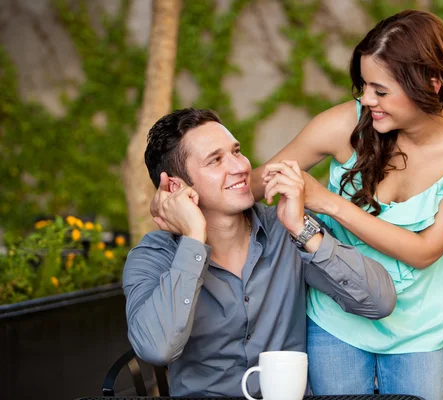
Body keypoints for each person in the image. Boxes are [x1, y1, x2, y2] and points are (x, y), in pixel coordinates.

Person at [255, 9, 443, 400]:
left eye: (381, 90)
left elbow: (424, 252)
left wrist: (328, 203)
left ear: (431, 83)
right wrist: (187, 190)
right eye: (364, 86)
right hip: (336, 314)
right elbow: (258, 182)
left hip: (420, 327)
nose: (367, 99)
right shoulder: (345, 123)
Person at [123, 108, 396, 397]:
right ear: (176, 186)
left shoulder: (285, 229)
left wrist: (303, 230)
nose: (240, 166)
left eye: (236, 151)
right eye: (215, 160)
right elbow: (156, 348)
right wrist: (193, 239)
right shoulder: (152, 257)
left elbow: (379, 302)